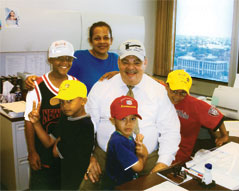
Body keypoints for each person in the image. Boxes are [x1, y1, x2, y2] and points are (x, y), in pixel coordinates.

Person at [80, 39, 180, 190]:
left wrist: (162, 164)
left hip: (147, 158)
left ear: (145, 62)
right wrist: (88, 157)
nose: (131, 67)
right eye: (126, 61)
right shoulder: (101, 87)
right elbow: (86, 127)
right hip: (105, 157)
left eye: (137, 62)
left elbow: (170, 131)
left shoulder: (159, 91)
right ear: (119, 62)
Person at [24, 40, 77, 190]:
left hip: (67, 155)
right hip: (43, 154)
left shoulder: (75, 84)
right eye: (59, 58)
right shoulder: (37, 86)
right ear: (50, 60)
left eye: (68, 58)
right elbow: (29, 121)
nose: (64, 62)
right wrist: (32, 152)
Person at [28, 80, 95, 190]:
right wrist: (36, 123)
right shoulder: (65, 118)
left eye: (69, 100)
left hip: (74, 179)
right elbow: (48, 142)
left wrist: (58, 144)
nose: (64, 106)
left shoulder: (86, 126)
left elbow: (56, 152)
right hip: (60, 175)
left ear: (83, 101)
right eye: (61, 102)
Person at [25, 21, 119, 93]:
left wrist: (119, 74)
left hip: (111, 114)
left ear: (111, 40)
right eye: (97, 38)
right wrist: (37, 81)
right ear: (90, 41)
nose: (102, 42)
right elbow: (59, 77)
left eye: (106, 38)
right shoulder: (79, 57)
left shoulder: (116, 59)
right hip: (83, 114)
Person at [164, 69, 229, 164]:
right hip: (162, 145)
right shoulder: (162, 97)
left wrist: (224, 136)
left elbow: (217, 117)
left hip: (180, 154)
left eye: (183, 93)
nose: (177, 96)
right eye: (174, 91)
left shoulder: (195, 105)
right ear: (167, 87)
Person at [103, 95, 148, 189]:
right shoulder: (119, 142)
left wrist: (140, 146)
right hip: (117, 187)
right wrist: (143, 155)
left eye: (132, 118)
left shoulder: (127, 137)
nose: (128, 123)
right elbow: (138, 167)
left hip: (126, 182)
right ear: (112, 120)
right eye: (123, 118)